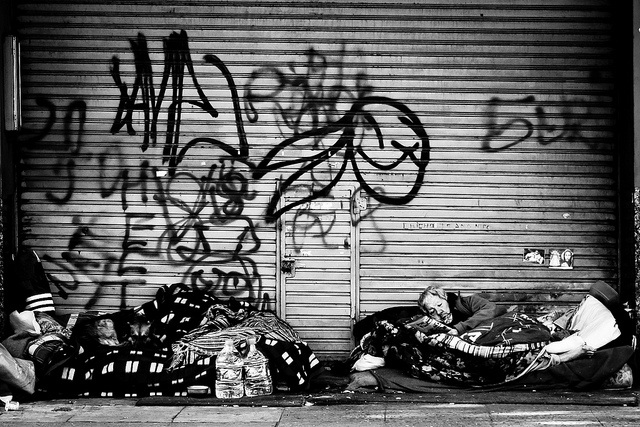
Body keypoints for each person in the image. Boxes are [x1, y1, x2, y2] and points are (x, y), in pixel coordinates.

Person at [417, 285, 506, 335]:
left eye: (440, 305)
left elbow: (492, 309)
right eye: (432, 312)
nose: (439, 312)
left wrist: (460, 328)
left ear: (446, 298)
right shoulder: (432, 324)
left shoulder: (468, 302)